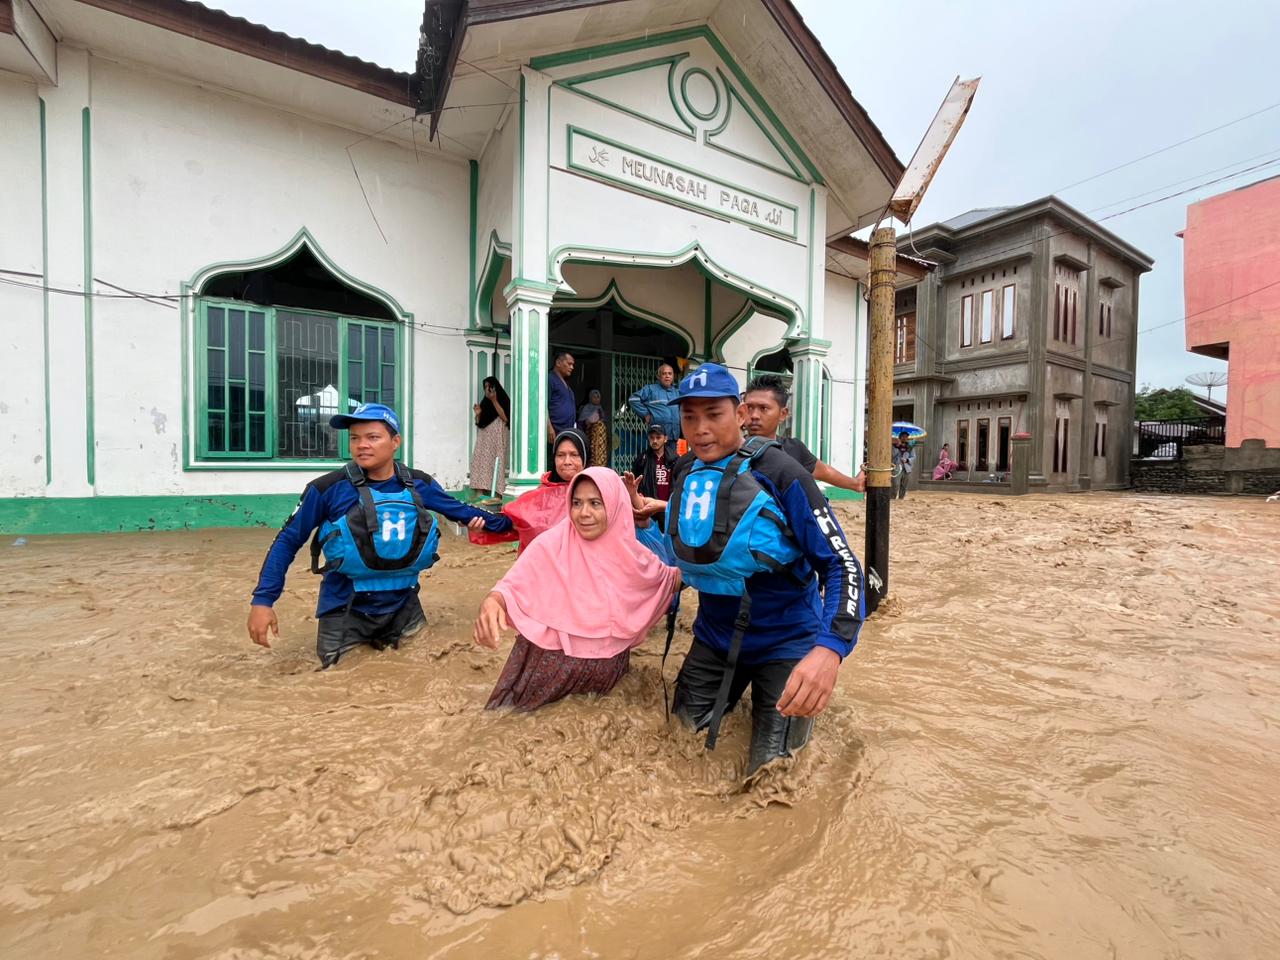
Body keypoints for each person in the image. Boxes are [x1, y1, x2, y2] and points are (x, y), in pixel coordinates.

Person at [650, 363, 865, 774]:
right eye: (689, 416)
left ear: (740, 414)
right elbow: (692, 547)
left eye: (713, 414)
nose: (700, 429)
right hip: (714, 640)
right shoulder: (683, 472)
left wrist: (829, 651)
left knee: (772, 775)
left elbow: (842, 565)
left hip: (787, 645)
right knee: (677, 748)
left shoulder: (782, 472)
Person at [246, 403, 513, 668]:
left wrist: (520, 524)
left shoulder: (419, 484)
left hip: (405, 608)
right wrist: (263, 600)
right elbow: (287, 541)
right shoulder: (327, 488)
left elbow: (463, 511)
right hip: (343, 612)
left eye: (372, 437)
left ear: (395, 441)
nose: (362, 445)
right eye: (354, 438)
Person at [474, 468, 680, 711]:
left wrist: (670, 507)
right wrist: (492, 601)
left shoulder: (635, 557)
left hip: (606, 677)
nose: (584, 513)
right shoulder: (551, 544)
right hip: (549, 672)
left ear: (615, 505)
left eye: (595, 503)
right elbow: (509, 587)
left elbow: (678, 579)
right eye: (576, 503)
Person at [741, 374, 866, 493]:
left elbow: (825, 471)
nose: (754, 415)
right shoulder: (733, 449)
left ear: (782, 414)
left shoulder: (793, 449)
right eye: (749, 408)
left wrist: (856, 484)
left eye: (763, 408)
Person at [504, 428, 587, 551]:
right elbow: (511, 524)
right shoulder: (539, 496)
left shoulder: (597, 491)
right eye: (560, 455)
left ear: (585, 457)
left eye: (574, 455)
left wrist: (627, 493)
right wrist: (481, 523)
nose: (567, 462)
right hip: (542, 566)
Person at [629, 424, 677, 528]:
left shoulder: (675, 460)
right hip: (649, 509)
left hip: (668, 509)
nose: (654, 441)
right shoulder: (642, 459)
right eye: (651, 437)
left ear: (665, 439)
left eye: (658, 437)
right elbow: (635, 483)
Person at [470, 376, 510, 495]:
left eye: (490, 387)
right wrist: (478, 414)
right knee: (481, 460)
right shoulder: (484, 402)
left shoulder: (503, 399)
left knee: (498, 460)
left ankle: (498, 492)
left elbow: (505, 418)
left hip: (498, 435)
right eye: (485, 387)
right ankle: (479, 491)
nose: (487, 390)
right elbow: (479, 422)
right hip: (484, 436)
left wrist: (494, 400)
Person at [627, 362, 681, 441]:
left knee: (672, 454)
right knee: (656, 453)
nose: (667, 376)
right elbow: (633, 399)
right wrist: (645, 414)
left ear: (673, 376)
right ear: (658, 377)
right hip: (657, 436)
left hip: (674, 436)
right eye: (664, 374)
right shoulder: (650, 389)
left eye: (670, 374)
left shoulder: (677, 392)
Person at [547, 350, 576, 445]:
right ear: (558, 363)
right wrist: (549, 427)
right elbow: (543, 405)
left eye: (572, 365)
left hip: (566, 430)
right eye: (569, 364)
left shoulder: (565, 384)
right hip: (554, 431)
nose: (572, 367)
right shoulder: (550, 379)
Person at [577, 387, 610, 466]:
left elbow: (604, 422)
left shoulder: (600, 409)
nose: (596, 399)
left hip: (600, 440)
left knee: (600, 455)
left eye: (598, 397)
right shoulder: (586, 408)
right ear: (590, 398)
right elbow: (581, 423)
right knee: (591, 454)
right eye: (594, 397)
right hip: (591, 436)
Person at [892, 431, 914, 499]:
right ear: (900, 437)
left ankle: (901, 498)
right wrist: (898, 447)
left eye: (906, 437)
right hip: (897, 467)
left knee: (904, 485)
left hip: (907, 468)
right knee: (895, 484)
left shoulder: (910, 447)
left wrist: (907, 460)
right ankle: (892, 497)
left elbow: (913, 456)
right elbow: (892, 455)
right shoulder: (894, 446)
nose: (905, 438)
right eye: (903, 436)